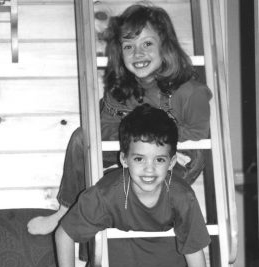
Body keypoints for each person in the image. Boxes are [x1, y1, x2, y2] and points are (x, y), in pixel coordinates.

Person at [27, 3, 212, 241]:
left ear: (165, 46)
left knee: (120, 191)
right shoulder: (121, 90)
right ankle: (66, 211)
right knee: (84, 140)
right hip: (130, 152)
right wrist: (131, 134)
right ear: (119, 51)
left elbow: (198, 134)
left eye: (147, 43)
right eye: (128, 46)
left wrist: (151, 134)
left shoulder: (189, 90)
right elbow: (102, 125)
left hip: (170, 160)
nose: (138, 53)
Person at [55, 104, 224, 267]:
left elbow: (192, 247)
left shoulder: (181, 194)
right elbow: (64, 233)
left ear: (172, 162)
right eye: (139, 158)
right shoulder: (107, 192)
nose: (149, 169)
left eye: (159, 159)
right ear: (124, 159)